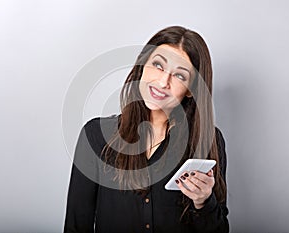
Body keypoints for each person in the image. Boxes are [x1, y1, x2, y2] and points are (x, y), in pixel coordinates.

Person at [64, 26, 229, 233]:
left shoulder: (209, 140)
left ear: (190, 90)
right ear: (142, 66)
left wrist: (204, 201)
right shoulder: (95, 136)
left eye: (179, 76)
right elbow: (76, 226)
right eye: (158, 65)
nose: (163, 82)